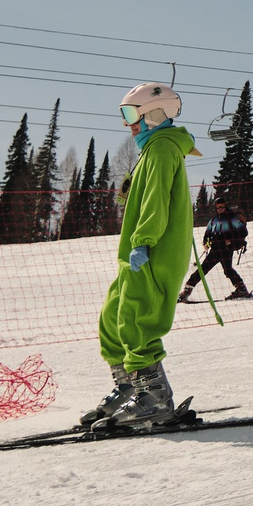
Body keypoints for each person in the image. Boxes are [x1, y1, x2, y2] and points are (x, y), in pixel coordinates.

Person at [74, 85, 201, 428]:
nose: (128, 124)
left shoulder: (161, 149)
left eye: (132, 115)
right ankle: (130, 388)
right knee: (113, 317)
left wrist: (143, 240)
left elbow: (156, 200)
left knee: (137, 319)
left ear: (155, 113)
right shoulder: (152, 151)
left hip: (155, 250)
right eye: (125, 116)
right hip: (137, 251)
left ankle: (157, 399)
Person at [179, 202, 251, 301]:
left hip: (226, 249)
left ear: (225, 206)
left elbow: (243, 232)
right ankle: (186, 291)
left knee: (224, 270)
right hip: (216, 249)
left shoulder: (232, 218)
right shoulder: (214, 220)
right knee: (207, 269)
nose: (220, 208)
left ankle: (241, 289)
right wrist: (206, 243)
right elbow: (207, 234)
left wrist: (230, 240)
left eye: (222, 206)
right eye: (218, 207)